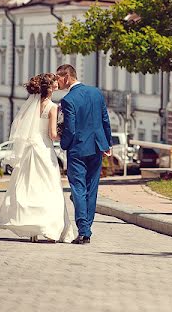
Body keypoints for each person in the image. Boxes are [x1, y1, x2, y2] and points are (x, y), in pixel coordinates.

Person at [0, 73, 76, 243]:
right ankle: (49, 228)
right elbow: (52, 134)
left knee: (29, 186)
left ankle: (32, 229)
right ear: (52, 88)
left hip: (30, 148)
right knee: (49, 187)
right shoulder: (53, 107)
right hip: (44, 149)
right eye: (55, 83)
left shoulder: (31, 106)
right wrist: (65, 134)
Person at [57, 63, 112, 245]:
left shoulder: (68, 100)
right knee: (91, 189)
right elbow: (105, 119)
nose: (57, 82)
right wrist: (108, 143)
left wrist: (63, 144)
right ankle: (87, 228)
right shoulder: (96, 93)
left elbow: (70, 129)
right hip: (96, 147)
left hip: (78, 150)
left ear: (67, 77)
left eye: (58, 78)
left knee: (79, 189)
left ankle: (83, 231)